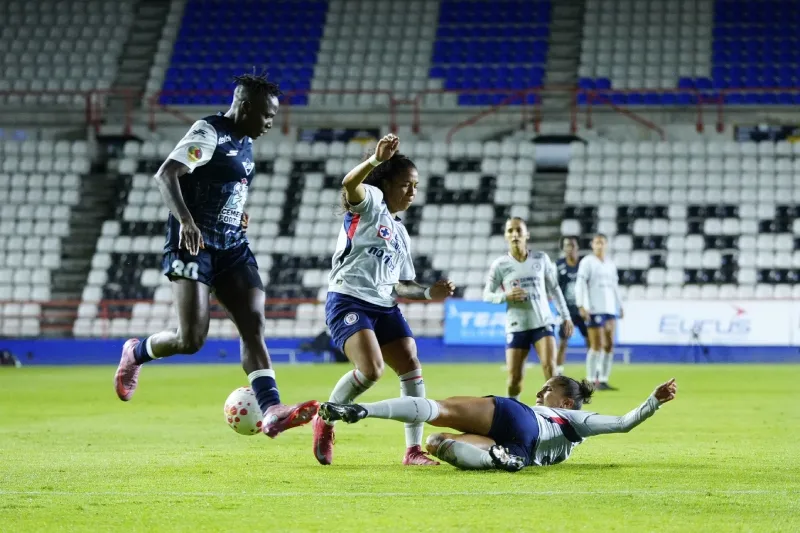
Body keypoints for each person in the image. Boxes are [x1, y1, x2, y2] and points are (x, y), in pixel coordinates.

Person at [113, 72, 320, 438]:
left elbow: (225, 181)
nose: (271, 123)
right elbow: (167, 175)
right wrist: (187, 222)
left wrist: (235, 209)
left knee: (253, 325)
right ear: (244, 107)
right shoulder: (209, 132)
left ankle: (272, 409)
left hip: (233, 246)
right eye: (267, 115)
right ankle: (136, 351)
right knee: (191, 340)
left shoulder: (245, 141)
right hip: (193, 245)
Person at [313, 133, 456, 467]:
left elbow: (400, 284)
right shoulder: (372, 200)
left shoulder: (401, 232)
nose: (412, 192)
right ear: (388, 183)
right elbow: (350, 183)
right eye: (406, 184)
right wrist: (376, 159)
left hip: (384, 304)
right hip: (349, 299)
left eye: (416, 186)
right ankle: (326, 420)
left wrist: (426, 293)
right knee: (372, 370)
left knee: (410, 366)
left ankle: (412, 450)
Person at [318, 376, 677, 471]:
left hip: (519, 420)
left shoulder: (571, 416)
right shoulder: (569, 442)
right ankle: (495, 460)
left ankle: (364, 410)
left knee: (438, 408)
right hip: (519, 450)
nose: (540, 390)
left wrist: (653, 401)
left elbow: (622, 423)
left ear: (566, 402)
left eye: (547, 389)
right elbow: (622, 425)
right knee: (436, 442)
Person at [483, 217, 573, 397]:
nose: (515, 234)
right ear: (506, 236)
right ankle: (514, 412)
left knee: (550, 369)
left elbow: (554, 289)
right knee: (515, 379)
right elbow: (487, 295)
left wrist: (566, 316)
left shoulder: (541, 259)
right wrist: (505, 296)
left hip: (543, 322)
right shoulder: (500, 265)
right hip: (517, 325)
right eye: (510, 231)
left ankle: (556, 416)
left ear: (527, 235)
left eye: (518, 230)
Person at [575, 233, 624, 390]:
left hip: (609, 308)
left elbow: (615, 286)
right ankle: (590, 380)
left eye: (602, 242)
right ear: (592, 245)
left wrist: (620, 305)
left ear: (606, 244)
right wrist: (582, 305)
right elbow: (580, 284)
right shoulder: (587, 262)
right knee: (596, 345)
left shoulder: (610, 263)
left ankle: (602, 379)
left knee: (609, 344)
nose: (599, 245)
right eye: (597, 242)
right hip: (594, 308)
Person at [555, 236, 589, 376]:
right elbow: (555, 288)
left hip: (583, 309)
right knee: (563, 341)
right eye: (566, 246)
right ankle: (558, 372)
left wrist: (586, 306)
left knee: (591, 341)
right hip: (567, 311)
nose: (569, 249)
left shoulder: (584, 264)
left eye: (572, 246)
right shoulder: (559, 265)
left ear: (577, 248)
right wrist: (560, 311)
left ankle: (593, 372)